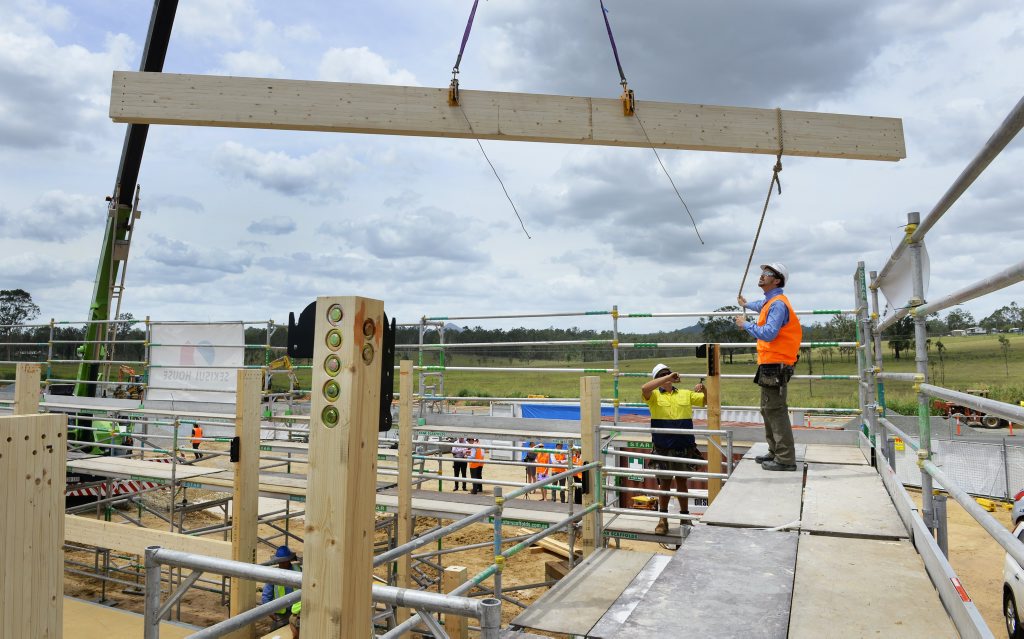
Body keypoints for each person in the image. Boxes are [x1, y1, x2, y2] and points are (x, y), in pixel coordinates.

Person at [735, 262, 803, 472]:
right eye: (763, 272)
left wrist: (744, 324)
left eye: (767, 274)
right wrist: (746, 305)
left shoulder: (778, 304)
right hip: (771, 363)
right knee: (767, 409)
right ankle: (775, 451)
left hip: (777, 364)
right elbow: (761, 306)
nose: (762, 276)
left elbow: (769, 333)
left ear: (777, 280)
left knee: (775, 410)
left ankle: (784, 458)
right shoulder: (770, 302)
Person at [641, 363, 707, 535]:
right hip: (663, 447)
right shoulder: (653, 395)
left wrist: (703, 389)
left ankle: (685, 517)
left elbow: (704, 401)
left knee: (682, 483)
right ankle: (663, 519)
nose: (668, 377)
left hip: (684, 445)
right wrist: (667, 378)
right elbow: (644, 388)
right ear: (657, 379)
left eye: (669, 373)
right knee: (664, 484)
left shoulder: (685, 393)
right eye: (663, 375)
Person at [261, 546, 300, 630]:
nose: (281, 564)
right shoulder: (274, 574)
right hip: (281, 615)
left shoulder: (298, 572)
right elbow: (266, 596)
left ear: (289, 560)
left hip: (298, 612)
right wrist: (269, 610)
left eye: (283, 562)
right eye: (279, 562)